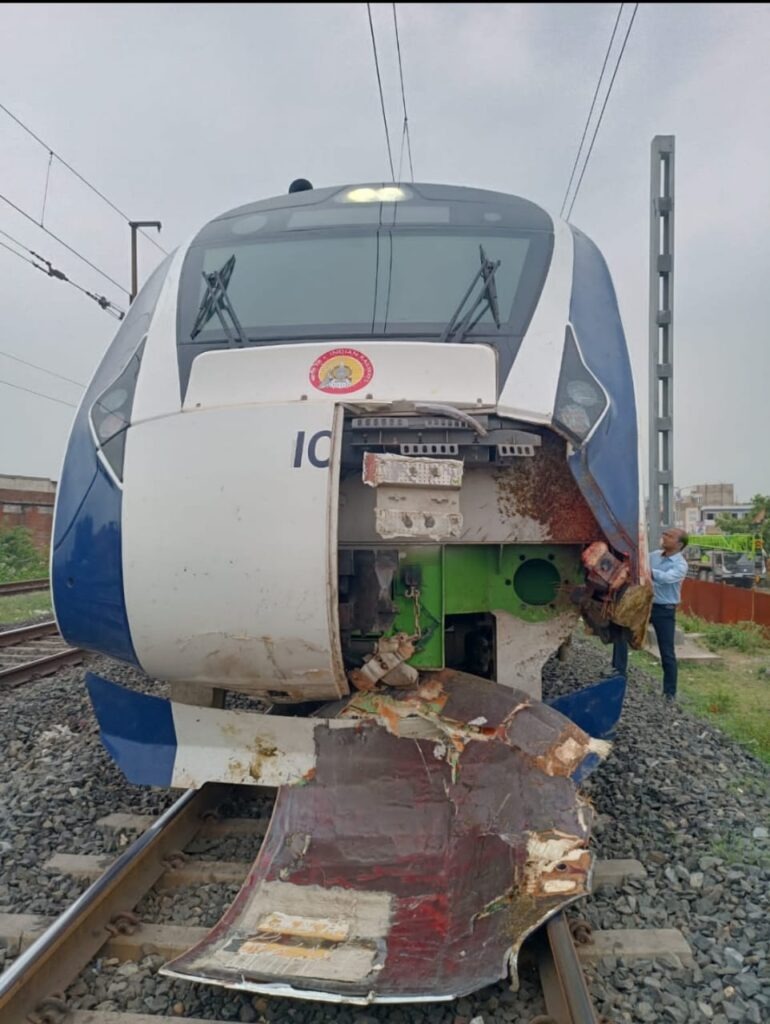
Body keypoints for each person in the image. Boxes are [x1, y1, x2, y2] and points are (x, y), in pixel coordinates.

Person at [611, 527, 689, 699]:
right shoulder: (653, 556)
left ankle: (669, 692)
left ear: (679, 544)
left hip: (664, 609)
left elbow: (667, 578)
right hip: (644, 604)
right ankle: (618, 674)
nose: (664, 537)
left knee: (666, 649)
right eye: (665, 534)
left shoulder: (680, 565)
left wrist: (646, 571)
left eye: (670, 536)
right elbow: (638, 564)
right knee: (622, 632)